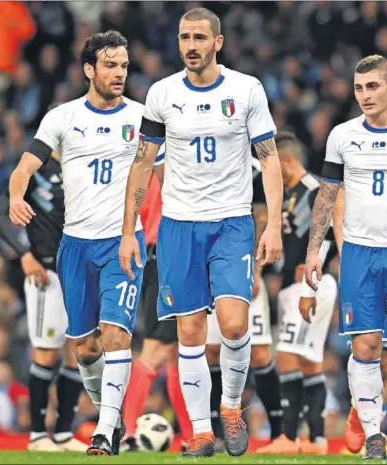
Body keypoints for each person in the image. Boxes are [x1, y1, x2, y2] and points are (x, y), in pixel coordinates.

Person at [119, 7, 283, 458]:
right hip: (177, 225)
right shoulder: (162, 93)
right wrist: (130, 230)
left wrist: (270, 224)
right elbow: (142, 162)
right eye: (184, 37)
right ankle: (201, 432)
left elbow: (269, 158)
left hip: (231, 222)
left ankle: (231, 407)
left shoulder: (246, 90)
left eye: (198, 37)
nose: (190, 45)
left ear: (218, 42)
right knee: (189, 332)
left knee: (232, 323)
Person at [8, 31, 162, 456]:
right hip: (74, 246)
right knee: (85, 345)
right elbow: (25, 165)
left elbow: (163, 176)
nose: (119, 73)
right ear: (89, 70)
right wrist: (15, 195)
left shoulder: (142, 117)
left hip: (121, 243)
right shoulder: (62, 117)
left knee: (116, 334)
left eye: (124, 66)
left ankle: (104, 431)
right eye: (110, 65)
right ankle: (108, 412)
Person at [305, 55, 387, 460]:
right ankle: (374, 435)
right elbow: (326, 196)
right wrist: (314, 250)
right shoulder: (342, 136)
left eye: (373, 86)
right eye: (360, 88)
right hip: (359, 254)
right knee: (364, 347)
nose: (365, 95)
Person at [0, 148, 85, 451]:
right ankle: (36, 436)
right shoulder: (34, 170)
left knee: (76, 352)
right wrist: (24, 255)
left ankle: (63, 434)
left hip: (79, 272)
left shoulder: (84, 165)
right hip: (46, 272)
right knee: (46, 352)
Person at [255, 132, 338, 455]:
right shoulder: (289, 194)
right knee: (309, 362)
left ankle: (288, 438)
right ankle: (316, 439)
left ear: (289, 160)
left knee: (288, 355)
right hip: (298, 284)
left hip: (311, 283)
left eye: (279, 166)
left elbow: (329, 234)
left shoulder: (317, 191)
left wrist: (313, 276)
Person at [341, 61, 387, 456]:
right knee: (373, 351)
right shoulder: (350, 139)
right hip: (363, 253)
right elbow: (339, 195)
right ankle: (366, 423)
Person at [205, 156, 283, 449]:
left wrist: (257, 270)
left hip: (243, 267)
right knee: (211, 350)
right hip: (208, 267)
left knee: (261, 353)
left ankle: (279, 433)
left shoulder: (252, 166)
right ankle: (216, 432)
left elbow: (261, 215)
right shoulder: (203, 159)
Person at [121, 172, 193, 449]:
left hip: (158, 257)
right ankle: (128, 433)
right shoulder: (167, 160)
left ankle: (191, 437)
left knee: (178, 353)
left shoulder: (144, 163)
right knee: (156, 350)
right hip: (168, 256)